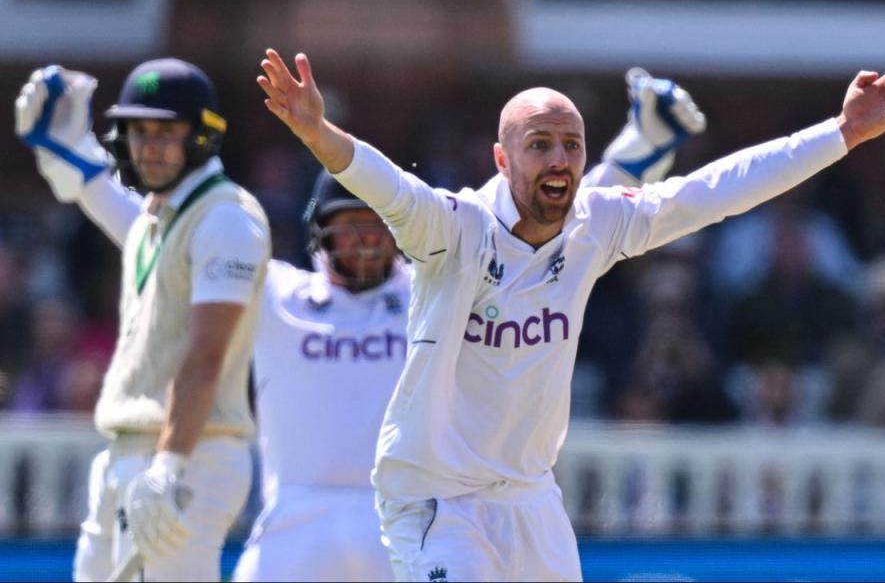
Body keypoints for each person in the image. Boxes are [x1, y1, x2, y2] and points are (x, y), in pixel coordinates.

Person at [17, 59, 706, 580]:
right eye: (347, 228)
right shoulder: (282, 298)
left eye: (376, 228)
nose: (365, 240)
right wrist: (73, 163)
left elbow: (564, 228)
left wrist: (644, 144)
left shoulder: (433, 281)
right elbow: (163, 237)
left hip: (402, 517)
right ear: (318, 234)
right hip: (295, 524)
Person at [258, 48, 885, 581]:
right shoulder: (454, 229)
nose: (559, 159)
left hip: (530, 499)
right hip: (437, 501)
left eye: (571, 145)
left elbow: (717, 192)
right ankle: (650, 132)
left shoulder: (597, 222)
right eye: (540, 144)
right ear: (501, 156)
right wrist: (317, 131)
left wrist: (843, 133)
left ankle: (649, 135)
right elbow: (388, 187)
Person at [15, 59, 272, 582]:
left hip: (191, 453)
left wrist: (170, 466)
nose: (149, 146)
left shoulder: (226, 218)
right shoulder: (161, 219)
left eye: (166, 132)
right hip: (130, 450)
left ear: (202, 136)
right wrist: (62, 149)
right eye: (138, 131)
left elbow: (205, 357)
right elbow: (104, 197)